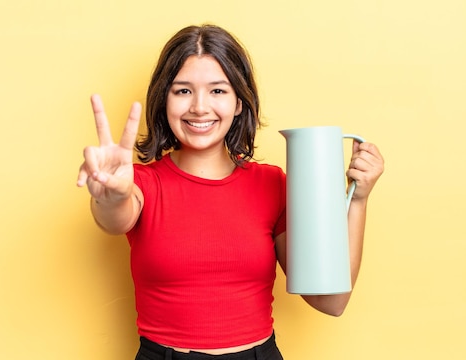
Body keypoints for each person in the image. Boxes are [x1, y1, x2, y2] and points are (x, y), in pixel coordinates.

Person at [77, 24, 384, 360]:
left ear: (239, 102)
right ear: (164, 99)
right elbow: (114, 216)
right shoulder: (140, 184)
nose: (199, 107)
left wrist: (357, 198)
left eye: (218, 91)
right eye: (182, 91)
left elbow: (332, 302)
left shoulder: (273, 184)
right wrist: (111, 193)